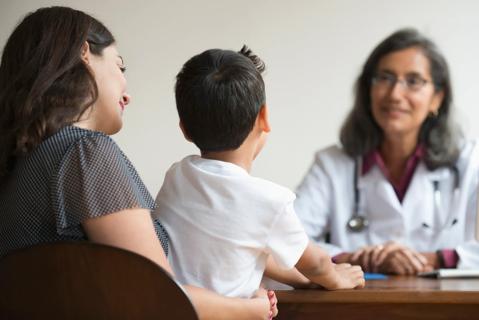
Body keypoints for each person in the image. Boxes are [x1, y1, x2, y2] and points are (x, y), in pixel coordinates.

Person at [0, 7, 277, 319]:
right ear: (84, 53)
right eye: (121, 67)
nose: (127, 94)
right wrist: (250, 309)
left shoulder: (21, 168)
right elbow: (157, 295)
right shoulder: (85, 152)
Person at [154, 45, 365, 298]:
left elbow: (255, 250)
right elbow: (315, 263)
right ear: (264, 117)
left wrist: (303, 281)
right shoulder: (269, 201)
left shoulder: (177, 177)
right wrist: (337, 279)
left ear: (184, 129)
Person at [295, 28, 479, 275]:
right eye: (384, 78)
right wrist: (357, 259)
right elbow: (289, 241)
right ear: (367, 89)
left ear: (436, 97)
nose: (395, 94)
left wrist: (432, 260)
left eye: (413, 81)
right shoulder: (331, 165)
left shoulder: (470, 162)